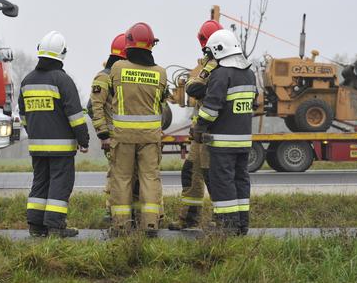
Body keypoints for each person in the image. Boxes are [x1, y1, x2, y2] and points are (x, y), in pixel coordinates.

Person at [94, 22, 167, 237]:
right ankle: (151, 224)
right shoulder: (161, 73)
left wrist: (103, 132)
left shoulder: (117, 69)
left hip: (123, 136)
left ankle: (121, 225)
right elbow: (162, 101)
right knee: (149, 178)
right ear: (151, 45)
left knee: (122, 179)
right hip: (150, 138)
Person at [19, 31, 89, 238]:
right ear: (62, 54)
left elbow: (23, 114)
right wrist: (83, 140)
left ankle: (36, 225)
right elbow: (75, 115)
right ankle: (56, 226)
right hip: (61, 148)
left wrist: (33, 133)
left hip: (37, 146)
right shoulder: (62, 80)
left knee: (40, 182)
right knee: (60, 183)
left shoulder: (27, 80)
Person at [193, 29, 257, 235]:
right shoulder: (250, 74)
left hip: (222, 143)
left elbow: (211, 109)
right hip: (244, 141)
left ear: (219, 51)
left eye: (210, 53)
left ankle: (227, 227)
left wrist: (198, 126)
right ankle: (241, 225)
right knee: (241, 181)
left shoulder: (221, 74)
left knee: (223, 182)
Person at [169, 20, 223, 231]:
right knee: (191, 172)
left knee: (213, 176)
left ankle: (222, 220)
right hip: (200, 133)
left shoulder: (214, 64)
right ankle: (189, 218)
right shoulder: (210, 62)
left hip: (211, 133)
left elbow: (196, 88)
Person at [88, 34, 129, 221]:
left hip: (126, 135)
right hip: (113, 135)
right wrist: (103, 134)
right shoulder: (104, 77)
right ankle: (111, 211)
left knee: (125, 174)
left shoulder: (121, 74)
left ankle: (127, 211)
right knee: (116, 174)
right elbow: (94, 107)